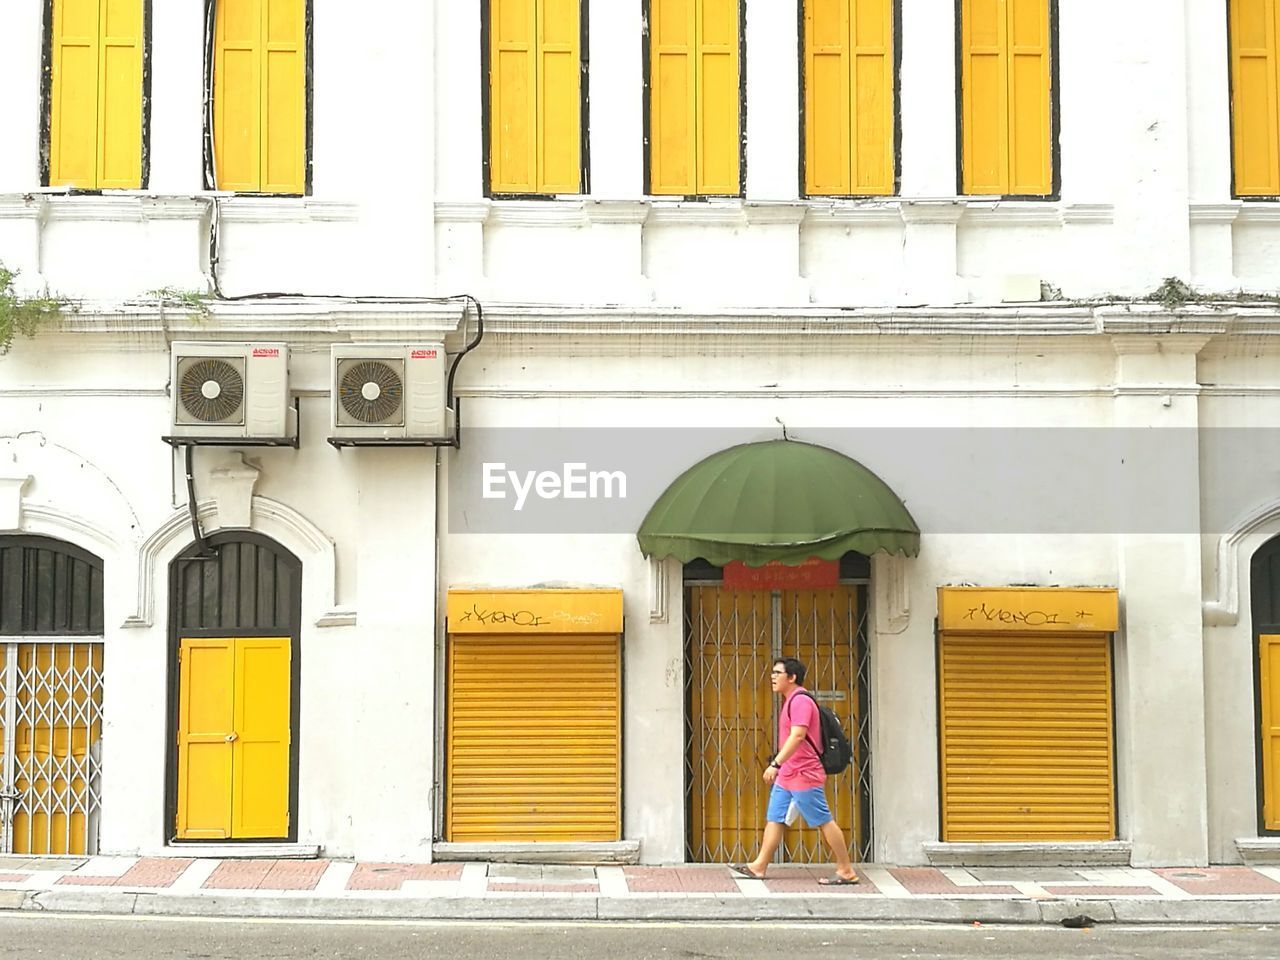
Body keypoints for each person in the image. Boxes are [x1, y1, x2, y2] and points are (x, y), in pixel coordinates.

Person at [728, 657, 859, 885]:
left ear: (792, 677)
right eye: (773, 672)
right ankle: (759, 866)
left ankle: (846, 869)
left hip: (803, 773)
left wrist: (776, 763)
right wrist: (781, 767)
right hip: (789, 773)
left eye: (778, 673)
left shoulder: (800, 701)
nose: (773, 677)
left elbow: (798, 735)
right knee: (775, 818)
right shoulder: (790, 700)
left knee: (823, 820)